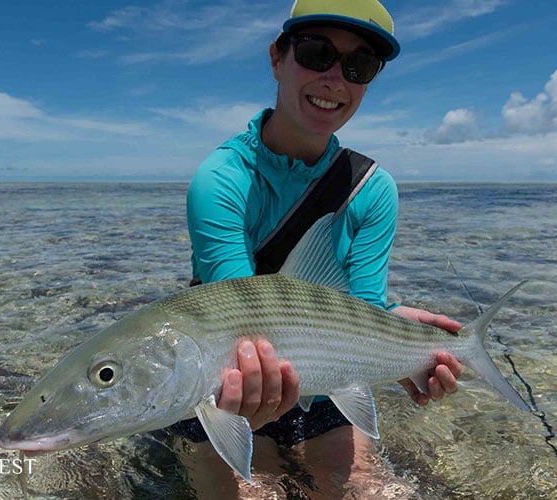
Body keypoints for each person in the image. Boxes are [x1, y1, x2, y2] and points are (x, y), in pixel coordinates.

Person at [174, 0, 463, 496]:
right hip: (228, 381)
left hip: (326, 365)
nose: (335, 79)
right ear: (276, 58)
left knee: (363, 491)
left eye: (359, 66)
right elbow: (242, 327)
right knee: (254, 490)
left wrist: (396, 338)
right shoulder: (220, 179)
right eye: (316, 52)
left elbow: (362, 305)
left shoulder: (372, 188)